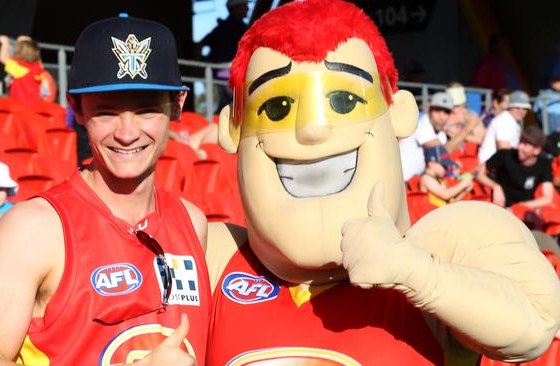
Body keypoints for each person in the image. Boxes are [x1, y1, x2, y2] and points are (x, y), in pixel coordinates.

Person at [205, 1, 560, 364]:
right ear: (233, 131)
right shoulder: (216, 256)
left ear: (401, 114)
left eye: (344, 101)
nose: (312, 129)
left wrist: (415, 271)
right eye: (278, 107)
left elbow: (533, 326)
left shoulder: (445, 244)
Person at [0, 14, 211, 365]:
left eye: (146, 110)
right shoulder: (34, 228)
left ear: (178, 105)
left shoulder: (193, 222)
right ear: (76, 108)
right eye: (107, 112)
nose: (127, 132)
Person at [477, 126, 554, 209]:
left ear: (537, 150)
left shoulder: (544, 164)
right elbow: (478, 173)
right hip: (500, 208)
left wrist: (519, 208)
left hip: (524, 210)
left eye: (525, 144)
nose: (519, 147)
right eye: (520, 141)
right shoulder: (505, 155)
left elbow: (547, 198)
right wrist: (495, 186)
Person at [198, 0, 249, 112]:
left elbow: (200, 45)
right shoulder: (241, 28)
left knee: (226, 106)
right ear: (235, 8)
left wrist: (205, 61)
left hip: (218, 74)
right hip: (231, 74)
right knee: (236, 106)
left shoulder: (221, 27)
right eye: (245, 5)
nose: (248, 8)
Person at [399, 91, 452, 181]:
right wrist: (468, 128)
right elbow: (443, 151)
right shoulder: (421, 125)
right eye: (438, 110)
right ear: (430, 110)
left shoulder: (441, 134)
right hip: (400, 179)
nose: (441, 116)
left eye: (446, 112)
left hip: (413, 181)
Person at [478, 90, 531, 163]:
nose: (521, 111)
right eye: (517, 107)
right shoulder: (504, 121)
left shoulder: (512, 121)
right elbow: (504, 152)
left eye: (525, 108)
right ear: (510, 106)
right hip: (488, 168)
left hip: (497, 166)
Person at [0, 34, 47, 106]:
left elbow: (2, 58)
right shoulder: (38, 67)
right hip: (35, 105)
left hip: (18, 106)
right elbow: (45, 86)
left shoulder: (19, 66)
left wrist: (5, 43)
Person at [444, 83, 485, 149]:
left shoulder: (471, 115)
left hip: (469, 156)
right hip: (449, 155)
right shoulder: (443, 116)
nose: (454, 107)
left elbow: (482, 139)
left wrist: (458, 136)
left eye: (457, 105)